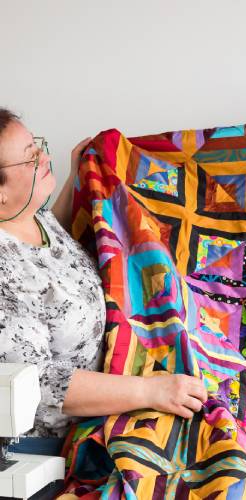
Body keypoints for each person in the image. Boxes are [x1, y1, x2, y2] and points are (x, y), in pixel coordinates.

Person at [0, 109, 208, 458]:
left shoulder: (28, 217)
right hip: (54, 447)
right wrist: (150, 392)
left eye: (38, 146)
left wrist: (79, 175)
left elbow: (53, 251)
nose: (45, 156)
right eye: (31, 158)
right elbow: (41, 384)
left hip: (116, 395)